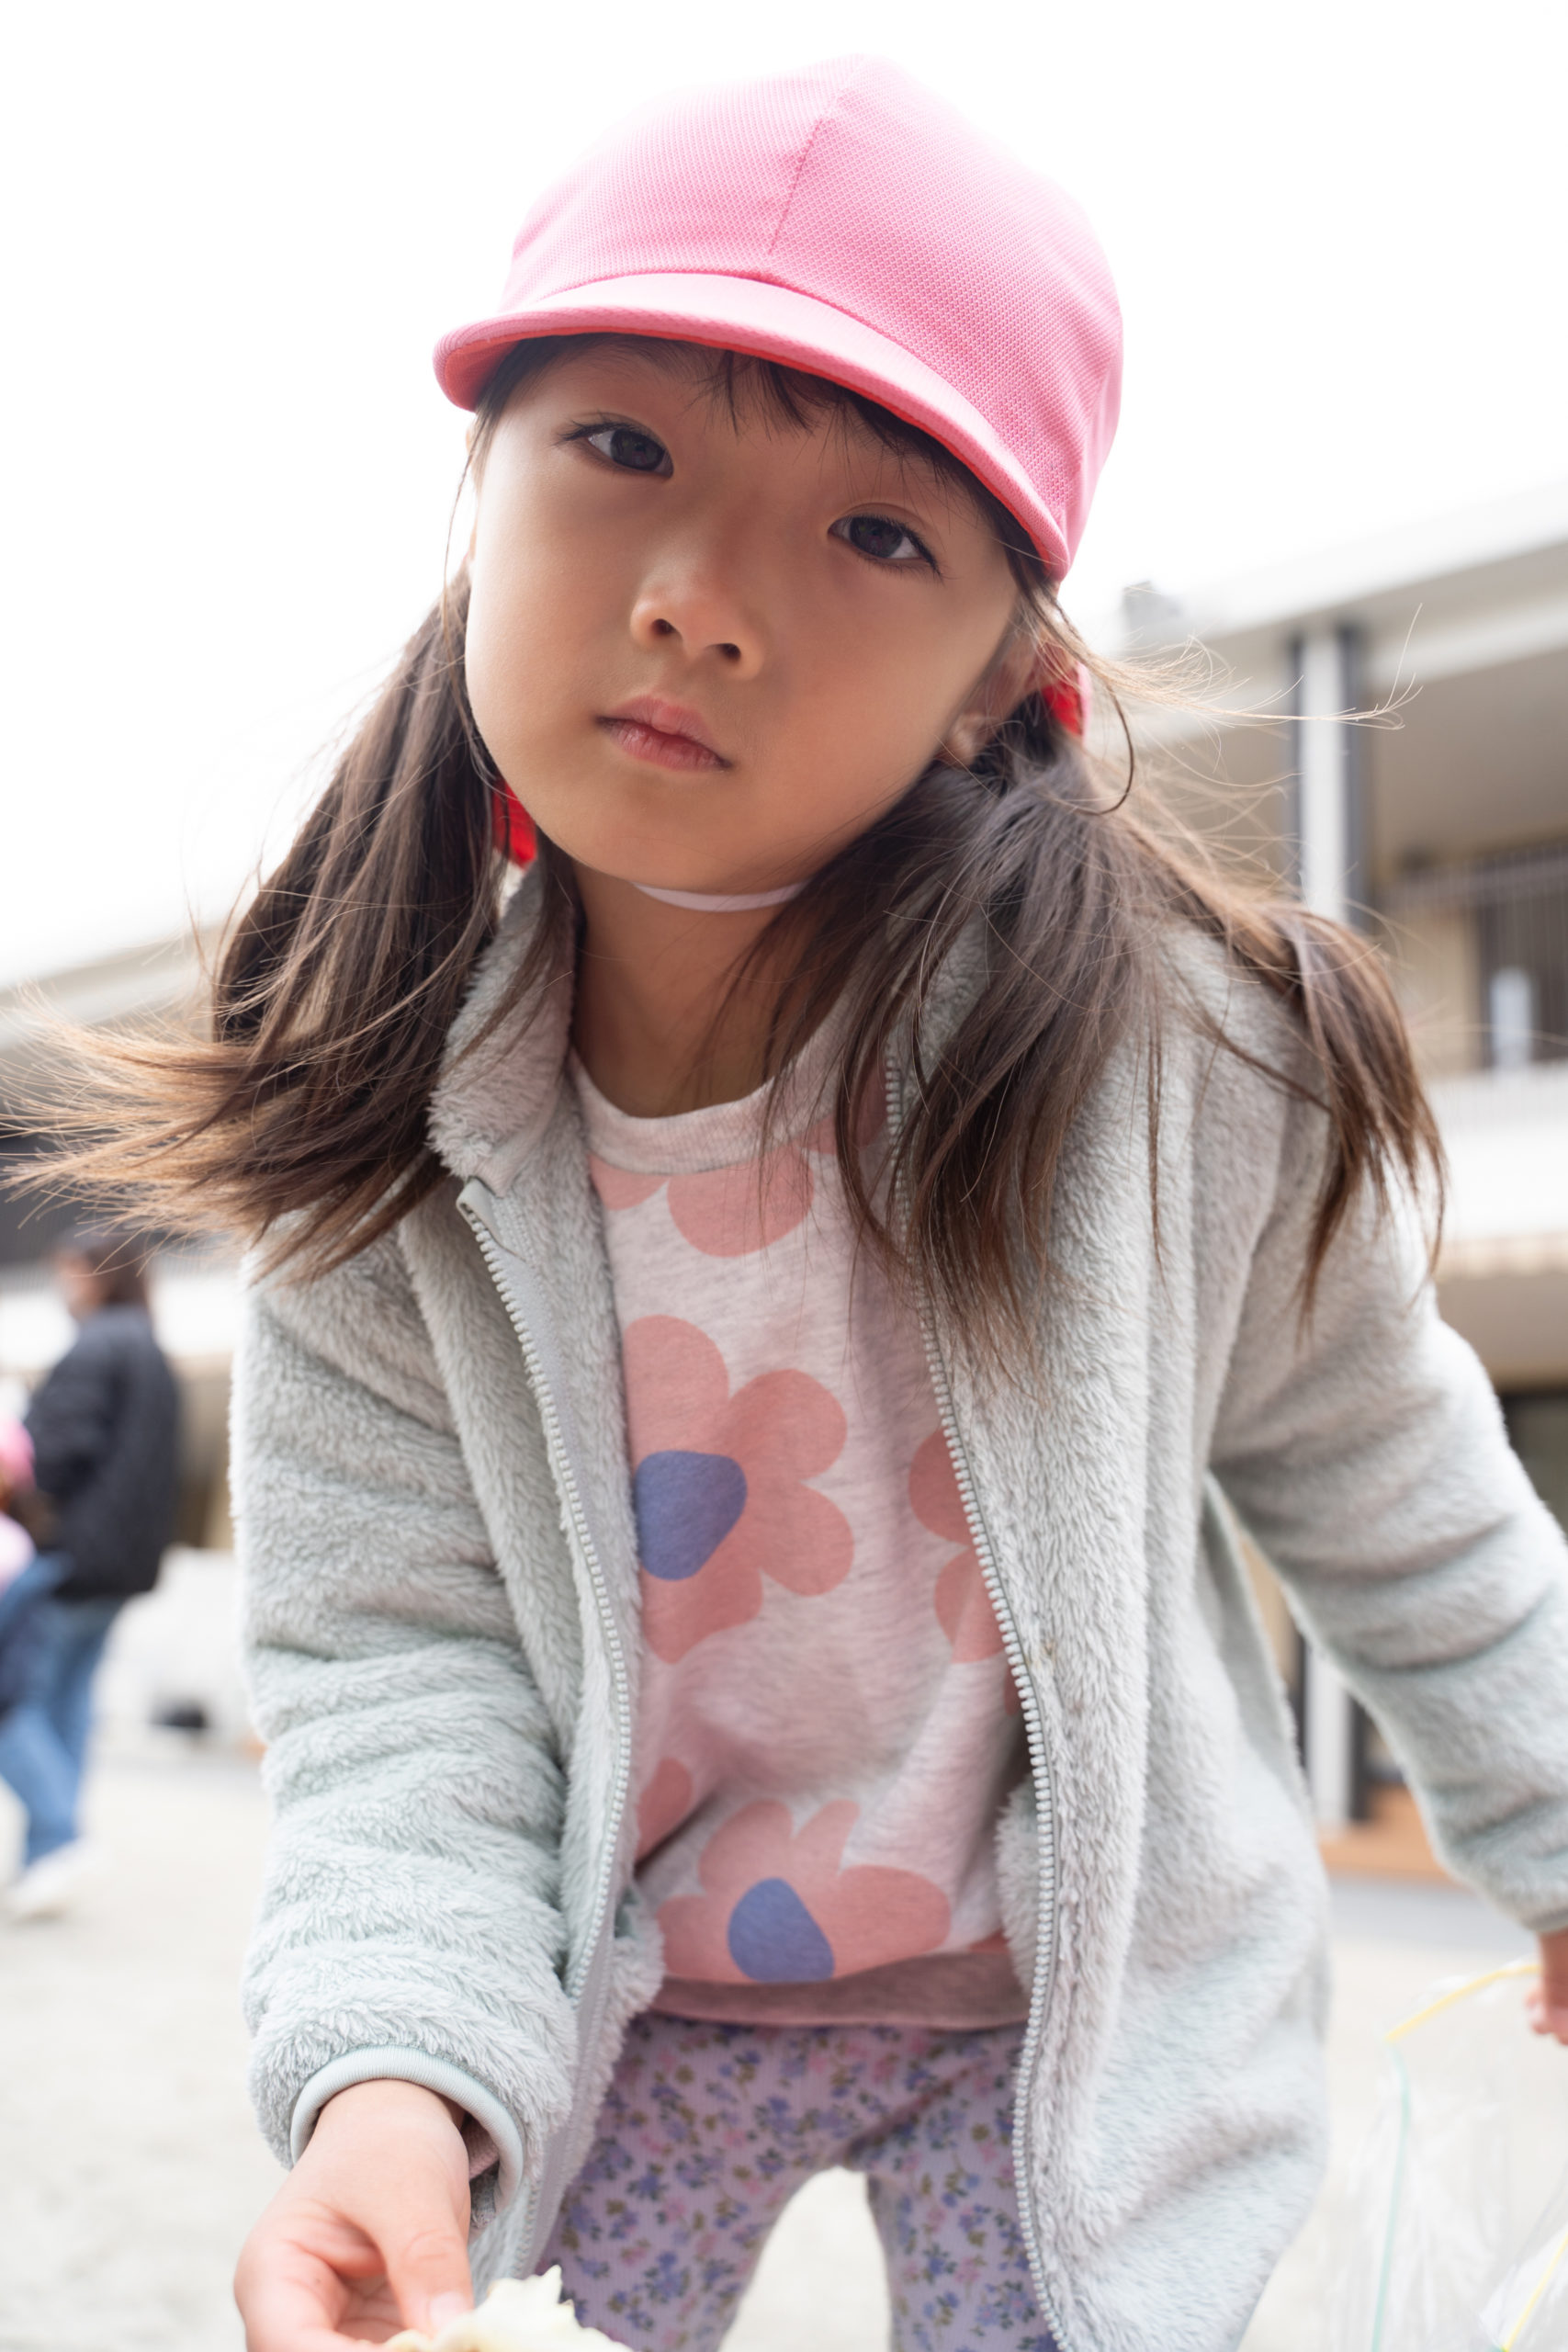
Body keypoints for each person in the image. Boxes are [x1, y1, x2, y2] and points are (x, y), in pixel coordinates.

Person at [49, 57, 1568, 2352]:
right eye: (620, 444)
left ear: (1000, 681)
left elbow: (1390, 1482)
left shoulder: (1182, 1063)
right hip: (626, 1994)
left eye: (872, 530)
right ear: (479, 489)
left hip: (1067, 2007)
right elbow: (394, 1672)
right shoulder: (377, 1129)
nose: (698, 598)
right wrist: (389, 2080)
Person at [0, 1227, 179, 1917]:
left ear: (100, 1275)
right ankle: (49, 1861)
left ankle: (60, 1840)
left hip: (70, 1558)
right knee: (66, 1706)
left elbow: (50, 1453)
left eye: (70, 1272)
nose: (63, 1286)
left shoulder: (97, 1346)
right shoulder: (153, 1351)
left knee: (13, 1700)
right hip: (123, 1567)